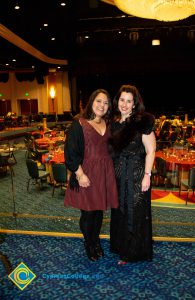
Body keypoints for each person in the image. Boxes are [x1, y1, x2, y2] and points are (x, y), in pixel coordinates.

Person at [64, 89, 118, 262]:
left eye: (105, 102)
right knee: (88, 213)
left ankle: (95, 241)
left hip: (104, 173)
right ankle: (89, 243)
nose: (102, 105)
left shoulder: (109, 124)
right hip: (86, 173)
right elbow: (70, 152)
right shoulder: (78, 124)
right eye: (98, 101)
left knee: (98, 211)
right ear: (91, 102)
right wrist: (80, 175)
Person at [109, 84, 156, 264]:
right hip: (118, 175)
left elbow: (151, 150)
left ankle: (133, 252)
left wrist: (147, 175)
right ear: (117, 101)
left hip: (136, 175)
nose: (125, 104)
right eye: (122, 100)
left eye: (129, 101)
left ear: (135, 104)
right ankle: (121, 246)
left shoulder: (142, 122)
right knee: (120, 211)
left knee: (134, 213)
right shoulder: (113, 122)